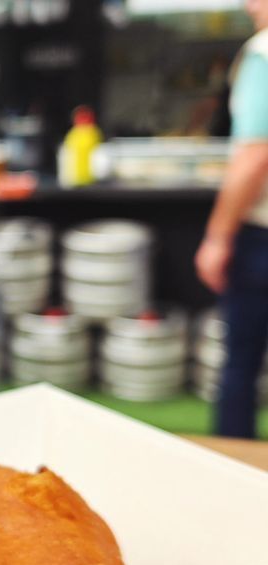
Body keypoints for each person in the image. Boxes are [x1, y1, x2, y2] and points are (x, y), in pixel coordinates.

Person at [195, 0, 268, 439]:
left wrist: (218, 237)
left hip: (262, 236)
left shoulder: (263, 53)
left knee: (240, 365)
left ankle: (233, 474)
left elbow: (256, 154)